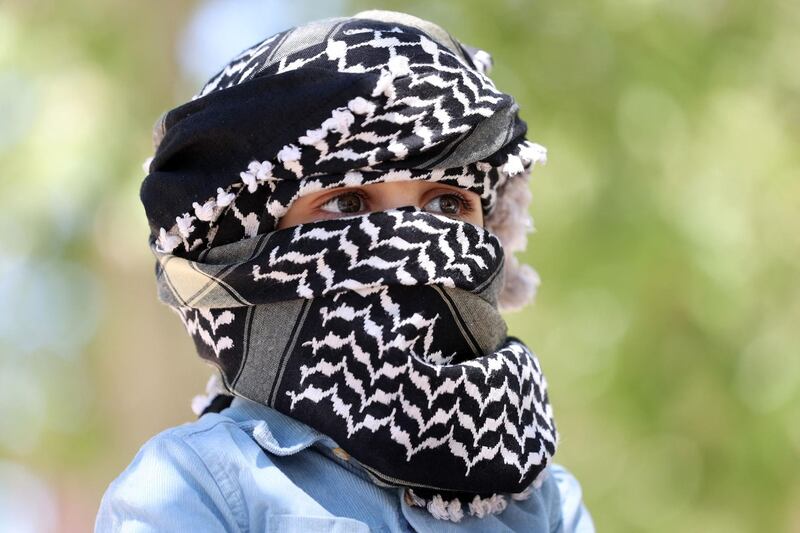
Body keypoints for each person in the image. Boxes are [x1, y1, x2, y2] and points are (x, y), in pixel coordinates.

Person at [95, 9, 595, 532]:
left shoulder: (545, 499)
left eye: (448, 205)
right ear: (245, 252)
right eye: (349, 202)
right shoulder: (193, 487)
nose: (410, 238)